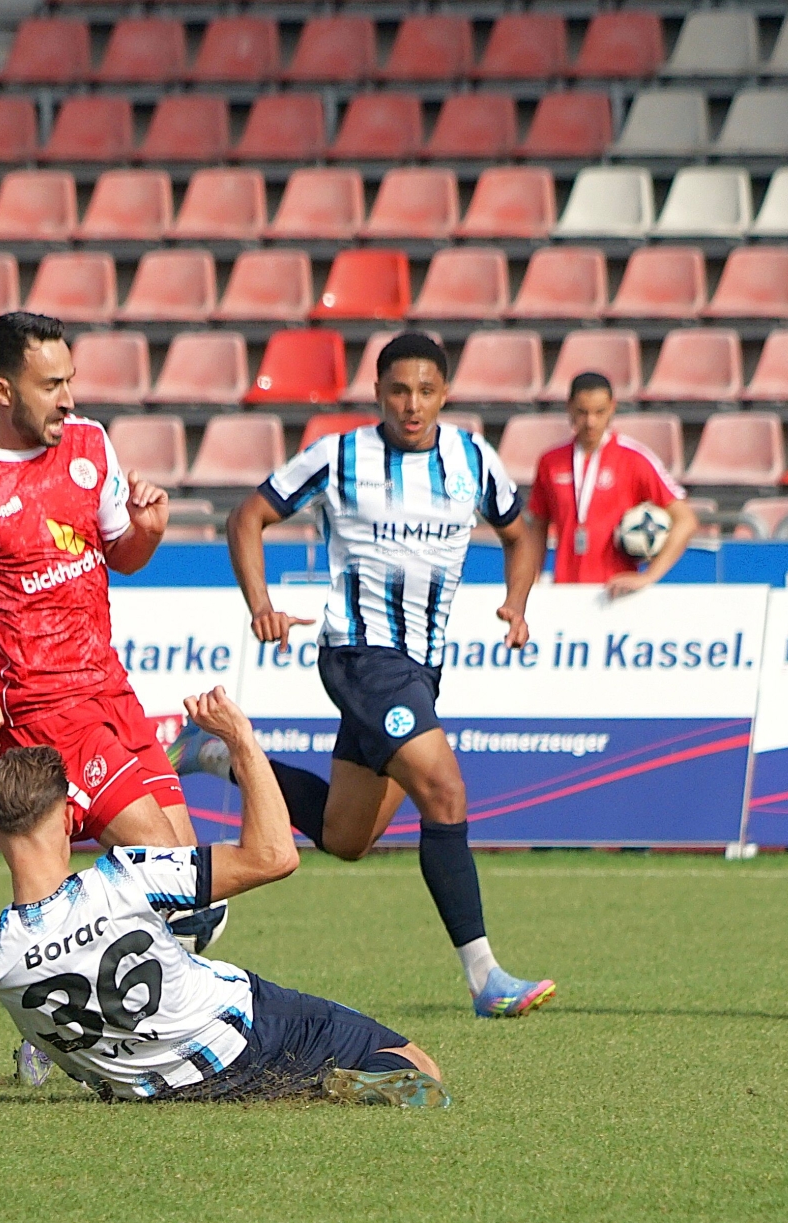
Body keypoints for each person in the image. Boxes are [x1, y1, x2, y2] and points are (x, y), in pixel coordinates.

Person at [0, 687, 449, 1107]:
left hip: (153, 1090)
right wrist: (241, 741)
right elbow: (274, 856)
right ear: (71, 820)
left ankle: (304, 1086)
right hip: (243, 1033)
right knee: (419, 1070)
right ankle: (322, 1084)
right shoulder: (127, 877)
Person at [171, 332, 556, 1019]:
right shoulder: (340, 455)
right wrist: (260, 605)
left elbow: (521, 532)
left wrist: (517, 602)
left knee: (346, 837)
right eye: (399, 390)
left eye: (426, 391)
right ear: (378, 392)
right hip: (360, 656)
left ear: (445, 394)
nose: (412, 404)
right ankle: (486, 978)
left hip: (420, 667)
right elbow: (248, 516)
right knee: (444, 791)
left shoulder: (472, 459)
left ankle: (218, 755)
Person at [0, 310, 197, 1085]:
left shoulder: (90, 445)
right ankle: (117, 1034)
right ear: (1, 390)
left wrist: (150, 531)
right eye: (51, 384)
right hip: (40, 703)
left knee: (187, 885)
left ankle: (55, 1015)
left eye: (71, 379)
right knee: (159, 863)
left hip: (111, 686)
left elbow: (122, 554)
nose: (69, 398)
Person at [524, 372, 697, 593]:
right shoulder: (551, 462)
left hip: (616, 594)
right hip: (566, 592)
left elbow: (686, 520)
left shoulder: (634, 459)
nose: (590, 422)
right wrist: (531, 582)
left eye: (599, 412)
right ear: (569, 407)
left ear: (612, 408)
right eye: (582, 412)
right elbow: (538, 526)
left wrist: (649, 576)